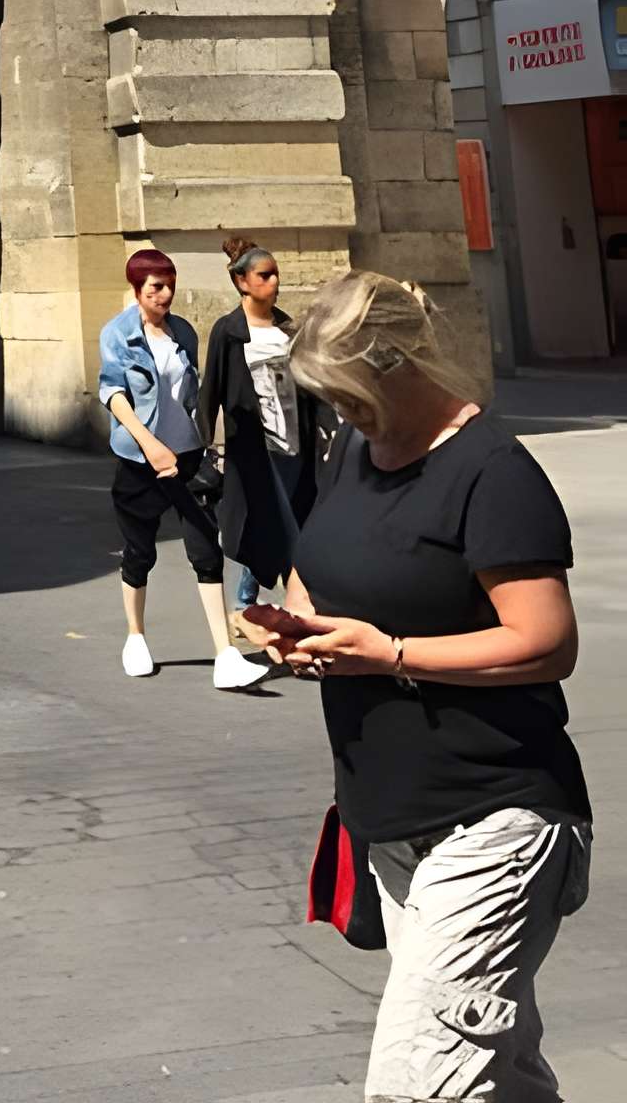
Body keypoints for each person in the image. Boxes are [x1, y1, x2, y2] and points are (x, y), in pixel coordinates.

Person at [251, 271, 591, 1101]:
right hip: (393, 821)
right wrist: (295, 629)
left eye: (349, 393)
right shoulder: (356, 454)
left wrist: (390, 653)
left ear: (397, 363)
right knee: (498, 1075)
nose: (340, 413)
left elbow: (546, 643)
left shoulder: (491, 471)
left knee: (420, 1086)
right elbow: (319, 568)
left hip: (495, 817)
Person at [98, 248, 270, 691]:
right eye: (156, 287)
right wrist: (150, 444)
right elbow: (113, 394)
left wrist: (208, 445)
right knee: (140, 554)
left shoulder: (183, 333)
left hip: (187, 458)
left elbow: (192, 394)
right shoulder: (118, 334)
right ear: (137, 289)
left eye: (170, 284)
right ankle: (135, 638)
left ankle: (225, 656)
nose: (166, 294)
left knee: (206, 553)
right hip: (140, 463)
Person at [199, 237, 328, 642]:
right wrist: (208, 449)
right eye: (264, 275)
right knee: (272, 523)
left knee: (291, 521)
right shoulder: (229, 331)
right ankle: (273, 607)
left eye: (276, 275)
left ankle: (260, 603)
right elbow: (211, 391)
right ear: (242, 282)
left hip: (295, 444)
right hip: (253, 450)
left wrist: (325, 430)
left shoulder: (289, 328)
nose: (273, 283)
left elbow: (309, 386)